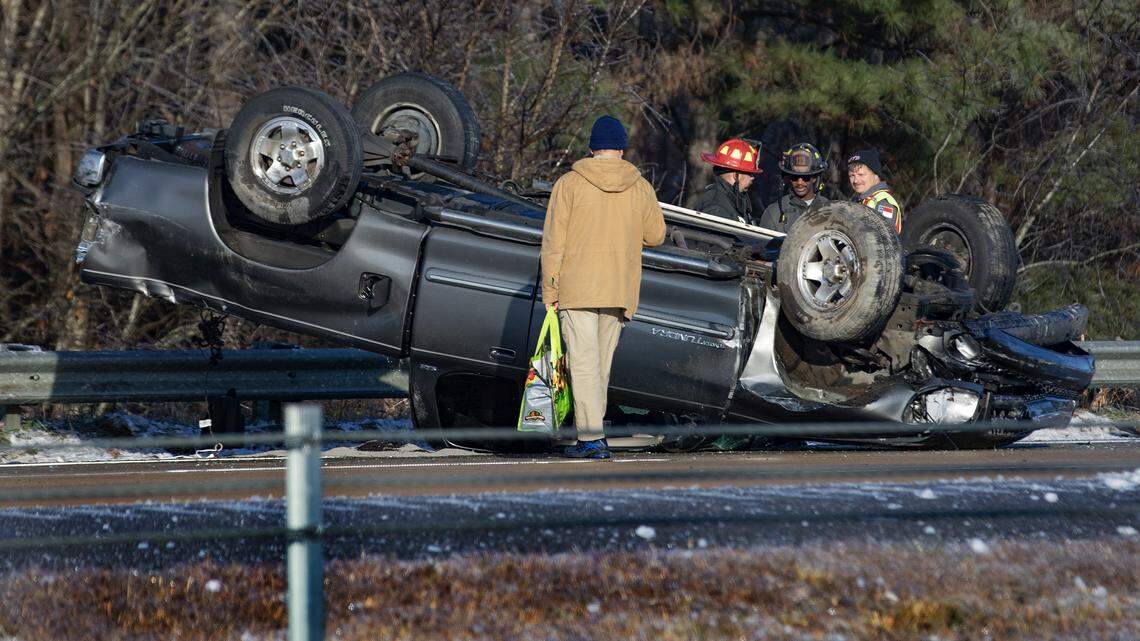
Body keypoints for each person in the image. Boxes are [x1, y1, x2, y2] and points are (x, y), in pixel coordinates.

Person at [540, 115, 667, 459]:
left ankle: (591, 440)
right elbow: (656, 236)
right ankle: (593, 435)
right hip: (619, 290)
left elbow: (553, 243)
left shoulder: (569, 184)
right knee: (600, 366)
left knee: (582, 363)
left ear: (591, 147)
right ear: (622, 149)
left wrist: (549, 291)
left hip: (576, 288)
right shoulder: (640, 186)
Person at [757, 143, 830, 233]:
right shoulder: (774, 213)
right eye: (794, 177)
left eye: (805, 178)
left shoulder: (829, 209)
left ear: (814, 178)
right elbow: (762, 245)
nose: (799, 182)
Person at [694, 138, 762, 223]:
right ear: (735, 176)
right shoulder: (716, 204)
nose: (753, 178)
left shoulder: (734, 200)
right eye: (750, 174)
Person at [847, 148, 902, 233]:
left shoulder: (883, 202)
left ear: (876, 175)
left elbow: (884, 239)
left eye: (861, 174)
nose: (855, 181)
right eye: (851, 175)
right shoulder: (859, 200)